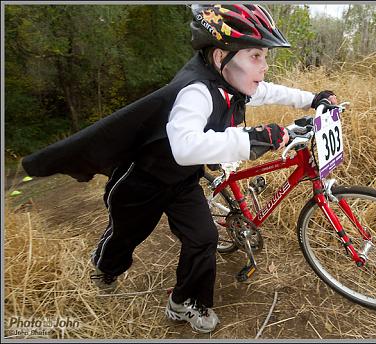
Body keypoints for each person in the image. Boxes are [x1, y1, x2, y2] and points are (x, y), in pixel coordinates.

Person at [22, 4, 337, 334]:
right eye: (256, 56)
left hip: (182, 182)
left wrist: (312, 99)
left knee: (203, 238)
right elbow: (185, 146)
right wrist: (251, 138)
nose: (264, 65)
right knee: (126, 237)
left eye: (264, 57)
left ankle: (184, 302)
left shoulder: (231, 81)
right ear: (220, 57)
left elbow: (269, 91)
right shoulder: (196, 92)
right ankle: (105, 267)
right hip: (141, 184)